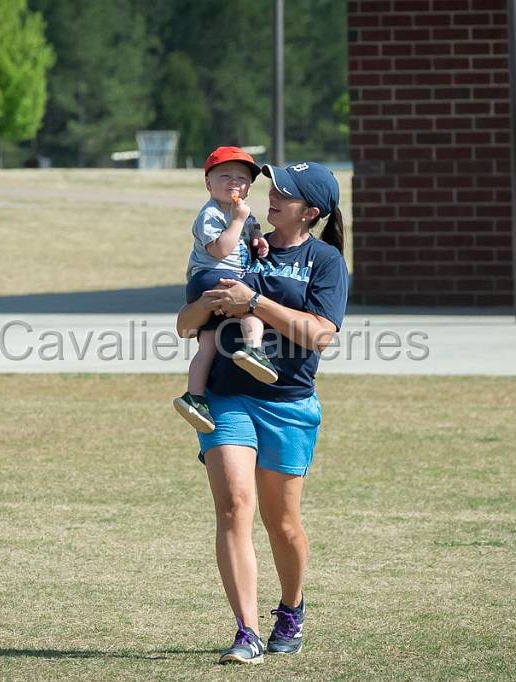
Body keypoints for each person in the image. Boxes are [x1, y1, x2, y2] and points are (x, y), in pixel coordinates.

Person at [175, 161, 348, 664]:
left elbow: (320, 334)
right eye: (272, 187)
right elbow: (187, 328)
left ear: (310, 211)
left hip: (289, 403)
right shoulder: (245, 243)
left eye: (285, 194)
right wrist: (208, 303)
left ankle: (291, 608)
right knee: (233, 506)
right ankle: (246, 631)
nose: (270, 196)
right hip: (228, 395)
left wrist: (255, 302)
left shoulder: (325, 260)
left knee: (284, 523)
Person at [172, 147, 276, 434]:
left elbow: (253, 233)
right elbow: (220, 250)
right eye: (225, 176)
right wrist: (239, 221)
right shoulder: (210, 214)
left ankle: (194, 397)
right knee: (251, 306)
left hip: (216, 278)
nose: (234, 183)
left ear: (249, 187)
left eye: (242, 178)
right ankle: (253, 350)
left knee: (208, 343)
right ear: (208, 183)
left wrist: (258, 240)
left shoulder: (242, 211)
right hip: (210, 276)